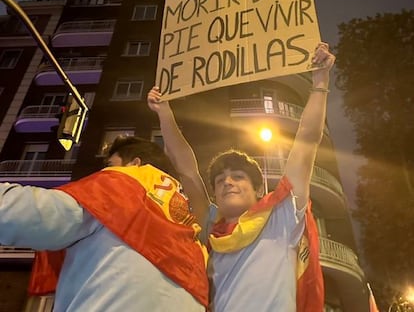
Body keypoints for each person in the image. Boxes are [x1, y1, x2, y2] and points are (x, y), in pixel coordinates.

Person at [148, 42, 335, 312]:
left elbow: (306, 140)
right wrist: (164, 112)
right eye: (221, 180)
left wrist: (320, 80)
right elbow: (186, 169)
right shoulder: (211, 226)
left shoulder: (282, 217)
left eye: (237, 176)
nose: (227, 182)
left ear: (260, 190)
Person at [0, 136, 208, 312]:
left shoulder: (119, 186)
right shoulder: (194, 240)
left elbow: (30, 214)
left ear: (135, 164)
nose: (106, 172)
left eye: (110, 165)